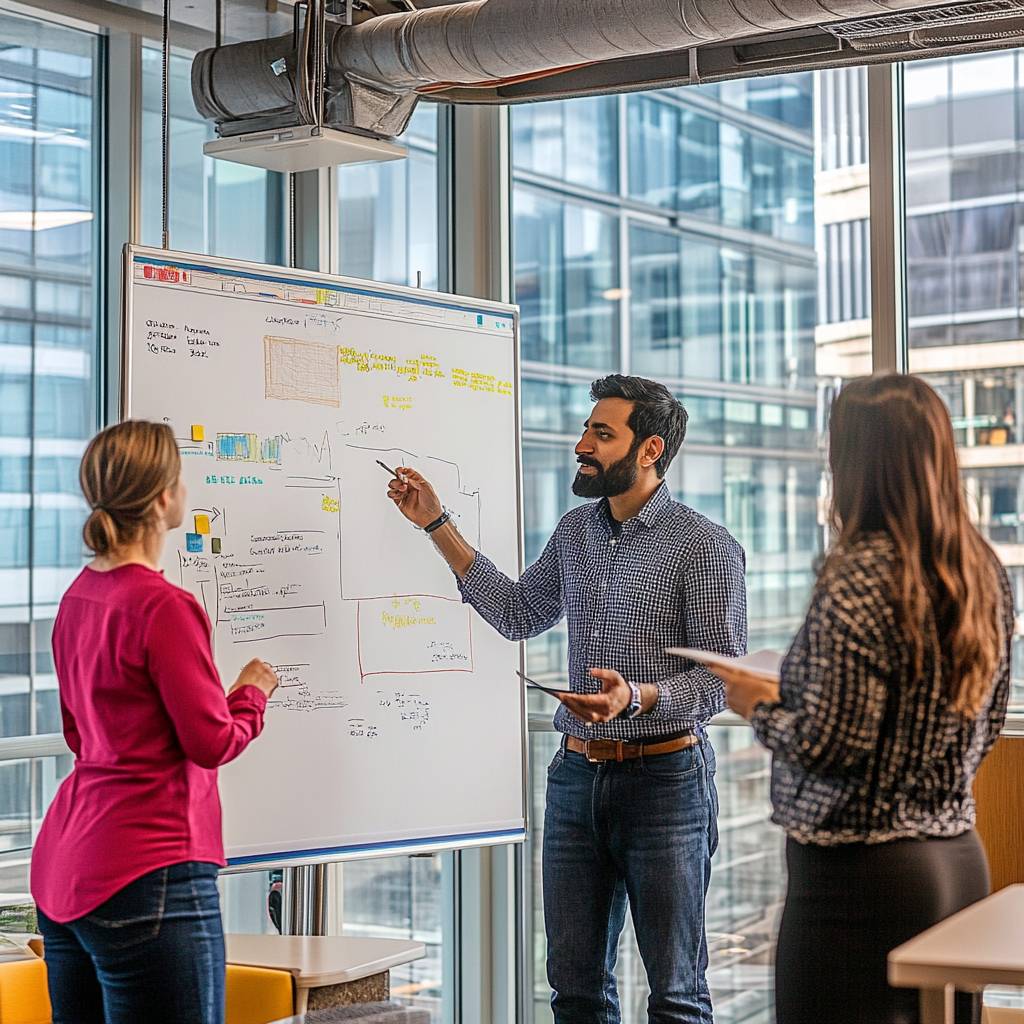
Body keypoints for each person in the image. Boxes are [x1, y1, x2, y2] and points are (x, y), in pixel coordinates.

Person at [386, 374, 747, 1023]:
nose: (582, 443)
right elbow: (519, 611)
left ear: (649, 450)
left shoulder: (705, 546)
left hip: (665, 783)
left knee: (676, 994)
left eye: (600, 433)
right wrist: (436, 523)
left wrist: (634, 698)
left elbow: (722, 679)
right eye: (587, 429)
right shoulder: (577, 531)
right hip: (576, 779)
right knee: (575, 991)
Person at [717, 374, 1013, 1024]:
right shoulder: (980, 570)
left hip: (859, 880)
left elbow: (830, 745)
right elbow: (987, 722)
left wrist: (756, 704)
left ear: (855, 460)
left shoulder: (856, 574)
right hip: (957, 860)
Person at [30, 420, 279, 1024]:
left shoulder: (79, 597)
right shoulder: (163, 606)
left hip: (65, 869)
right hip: (148, 869)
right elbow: (211, 741)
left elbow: (77, 734)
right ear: (165, 497)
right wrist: (251, 693)